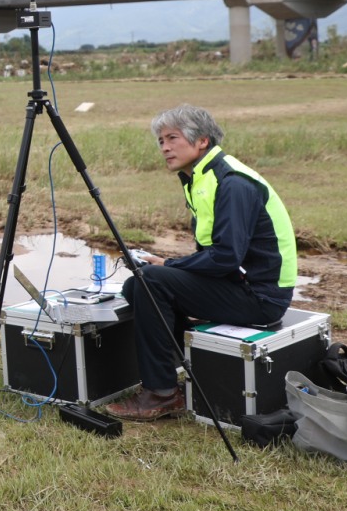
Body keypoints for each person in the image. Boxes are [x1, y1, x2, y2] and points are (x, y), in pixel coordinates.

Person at [104, 104, 298, 422]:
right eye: (160, 140)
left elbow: (225, 257)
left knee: (151, 279)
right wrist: (168, 265)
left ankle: (161, 394)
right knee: (136, 284)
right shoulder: (201, 177)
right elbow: (220, 254)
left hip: (260, 297)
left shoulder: (232, 182)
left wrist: (168, 264)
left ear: (202, 141)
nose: (164, 147)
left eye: (172, 138)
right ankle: (195, 367)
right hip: (237, 283)